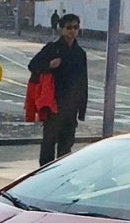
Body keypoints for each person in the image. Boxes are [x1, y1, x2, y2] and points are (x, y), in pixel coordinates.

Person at [28, 12, 87, 166]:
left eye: (75, 27)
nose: (72, 31)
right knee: (49, 143)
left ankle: (62, 178)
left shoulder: (80, 53)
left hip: (71, 107)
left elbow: (83, 81)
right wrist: (49, 66)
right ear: (61, 29)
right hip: (53, 105)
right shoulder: (52, 48)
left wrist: (82, 109)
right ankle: (44, 175)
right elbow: (32, 65)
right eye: (69, 27)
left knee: (66, 145)